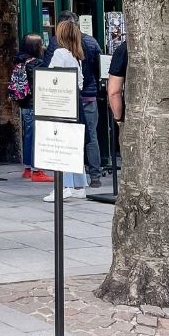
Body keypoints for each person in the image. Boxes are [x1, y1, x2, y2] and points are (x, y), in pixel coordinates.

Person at [44, 12, 103, 186]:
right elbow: (99, 67)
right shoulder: (89, 43)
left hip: (67, 101)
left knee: (67, 140)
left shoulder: (57, 47)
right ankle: (94, 175)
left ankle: (69, 182)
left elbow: (50, 74)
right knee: (90, 136)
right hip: (88, 96)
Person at [43, 21, 89, 202]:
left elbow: (52, 77)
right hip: (75, 102)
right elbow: (80, 82)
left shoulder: (60, 53)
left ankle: (65, 186)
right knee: (74, 144)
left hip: (62, 104)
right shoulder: (76, 55)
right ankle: (79, 185)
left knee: (61, 144)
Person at [14, 34, 52, 183]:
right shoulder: (38, 64)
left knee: (28, 136)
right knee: (37, 137)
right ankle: (37, 170)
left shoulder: (19, 61)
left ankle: (28, 168)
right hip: (36, 104)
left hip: (24, 104)